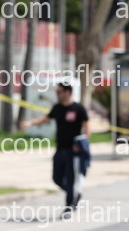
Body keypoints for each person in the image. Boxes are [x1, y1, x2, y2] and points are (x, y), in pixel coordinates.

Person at [21, 82, 90, 217]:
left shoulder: (78, 109)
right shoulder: (57, 108)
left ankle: (69, 206)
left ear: (67, 92)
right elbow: (46, 119)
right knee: (56, 178)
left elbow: (87, 127)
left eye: (59, 92)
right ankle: (74, 193)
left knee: (71, 179)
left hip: (73, 151)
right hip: (60, 149)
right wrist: (30, 123)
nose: (57, 94)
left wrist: (82, 142)